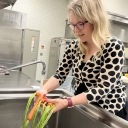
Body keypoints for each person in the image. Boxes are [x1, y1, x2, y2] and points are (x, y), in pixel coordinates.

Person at [36, 0, 128, 120]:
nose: (75, 30)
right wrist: (44, 89)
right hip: (85, 105)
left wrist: (66, 102)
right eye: (72, 25)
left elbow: (103, 87)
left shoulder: (113, 46)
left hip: (110, 111)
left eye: (80, 24)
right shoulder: (74, 47)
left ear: (95, 20)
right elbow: (60, 75)